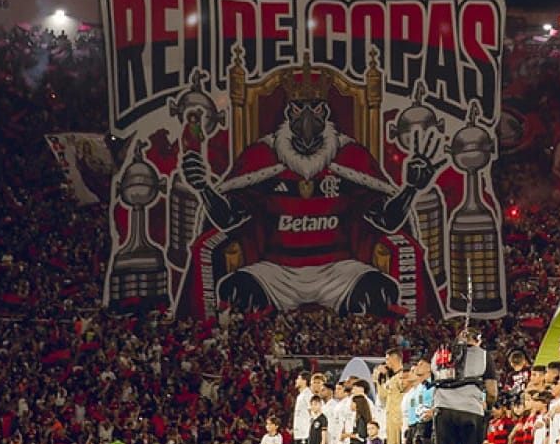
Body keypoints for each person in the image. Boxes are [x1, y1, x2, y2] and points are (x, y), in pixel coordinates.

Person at [179, 63, 445, 318]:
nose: (307, 117)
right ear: (288, 114)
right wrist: (203, 188)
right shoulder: (262, 157)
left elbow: (387, 220)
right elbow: (228, 218)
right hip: (276, 271)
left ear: (326, 113)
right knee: (237, 291)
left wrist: (411, 189)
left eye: (316, 108)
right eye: (298, 108)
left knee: (378, 292)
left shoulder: (350, 156)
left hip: (338, 271)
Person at [430, 327, 497, 444]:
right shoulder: (483, 356)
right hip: (471, 409)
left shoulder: (440, 354)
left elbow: (433, 382)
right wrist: (488, 405)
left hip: (443, 407)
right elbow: (492, 390)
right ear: (478, 340)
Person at [292, 371, 313, 444]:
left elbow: (312, 412)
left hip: (305, 434)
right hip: (299, 433)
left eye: (298, 378)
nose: (296, 381)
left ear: (304, 381)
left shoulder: (308, 394)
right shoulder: (300, 395)